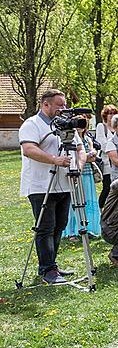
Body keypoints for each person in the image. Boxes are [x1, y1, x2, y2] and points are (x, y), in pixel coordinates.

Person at [19, 89, 87, 284]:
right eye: (59, 105)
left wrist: (79, 167)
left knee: (60, 226)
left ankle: (52, 265)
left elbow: (80, 148)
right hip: (41, 184)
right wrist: (54, 160)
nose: (63, 109)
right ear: (45, 104)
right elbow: (29, 149)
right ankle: (47, 269)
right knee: (46, 227)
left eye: (65, 105)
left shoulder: (65, 126)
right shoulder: (32, 124)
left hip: (65, 183)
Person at [62, 116, 102, 238]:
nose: (81, 126)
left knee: (87, 201)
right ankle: (72, 231)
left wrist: (87, 156)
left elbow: (93, 157)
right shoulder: (69, 138)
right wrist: (87, 156)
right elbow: (84, 155)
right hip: (75, 172)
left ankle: (88, 228)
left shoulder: (87, 138)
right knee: (74, 202)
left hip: (87, 173)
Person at [95, 104, 118, 208]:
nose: (112, 115)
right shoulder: (101, 127)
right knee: (107, 188)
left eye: (114, 113)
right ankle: (100, 208)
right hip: (107, 163)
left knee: (117, 187)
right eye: (109, 113)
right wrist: (114, 150)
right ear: (105, 115)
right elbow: (102, 144)